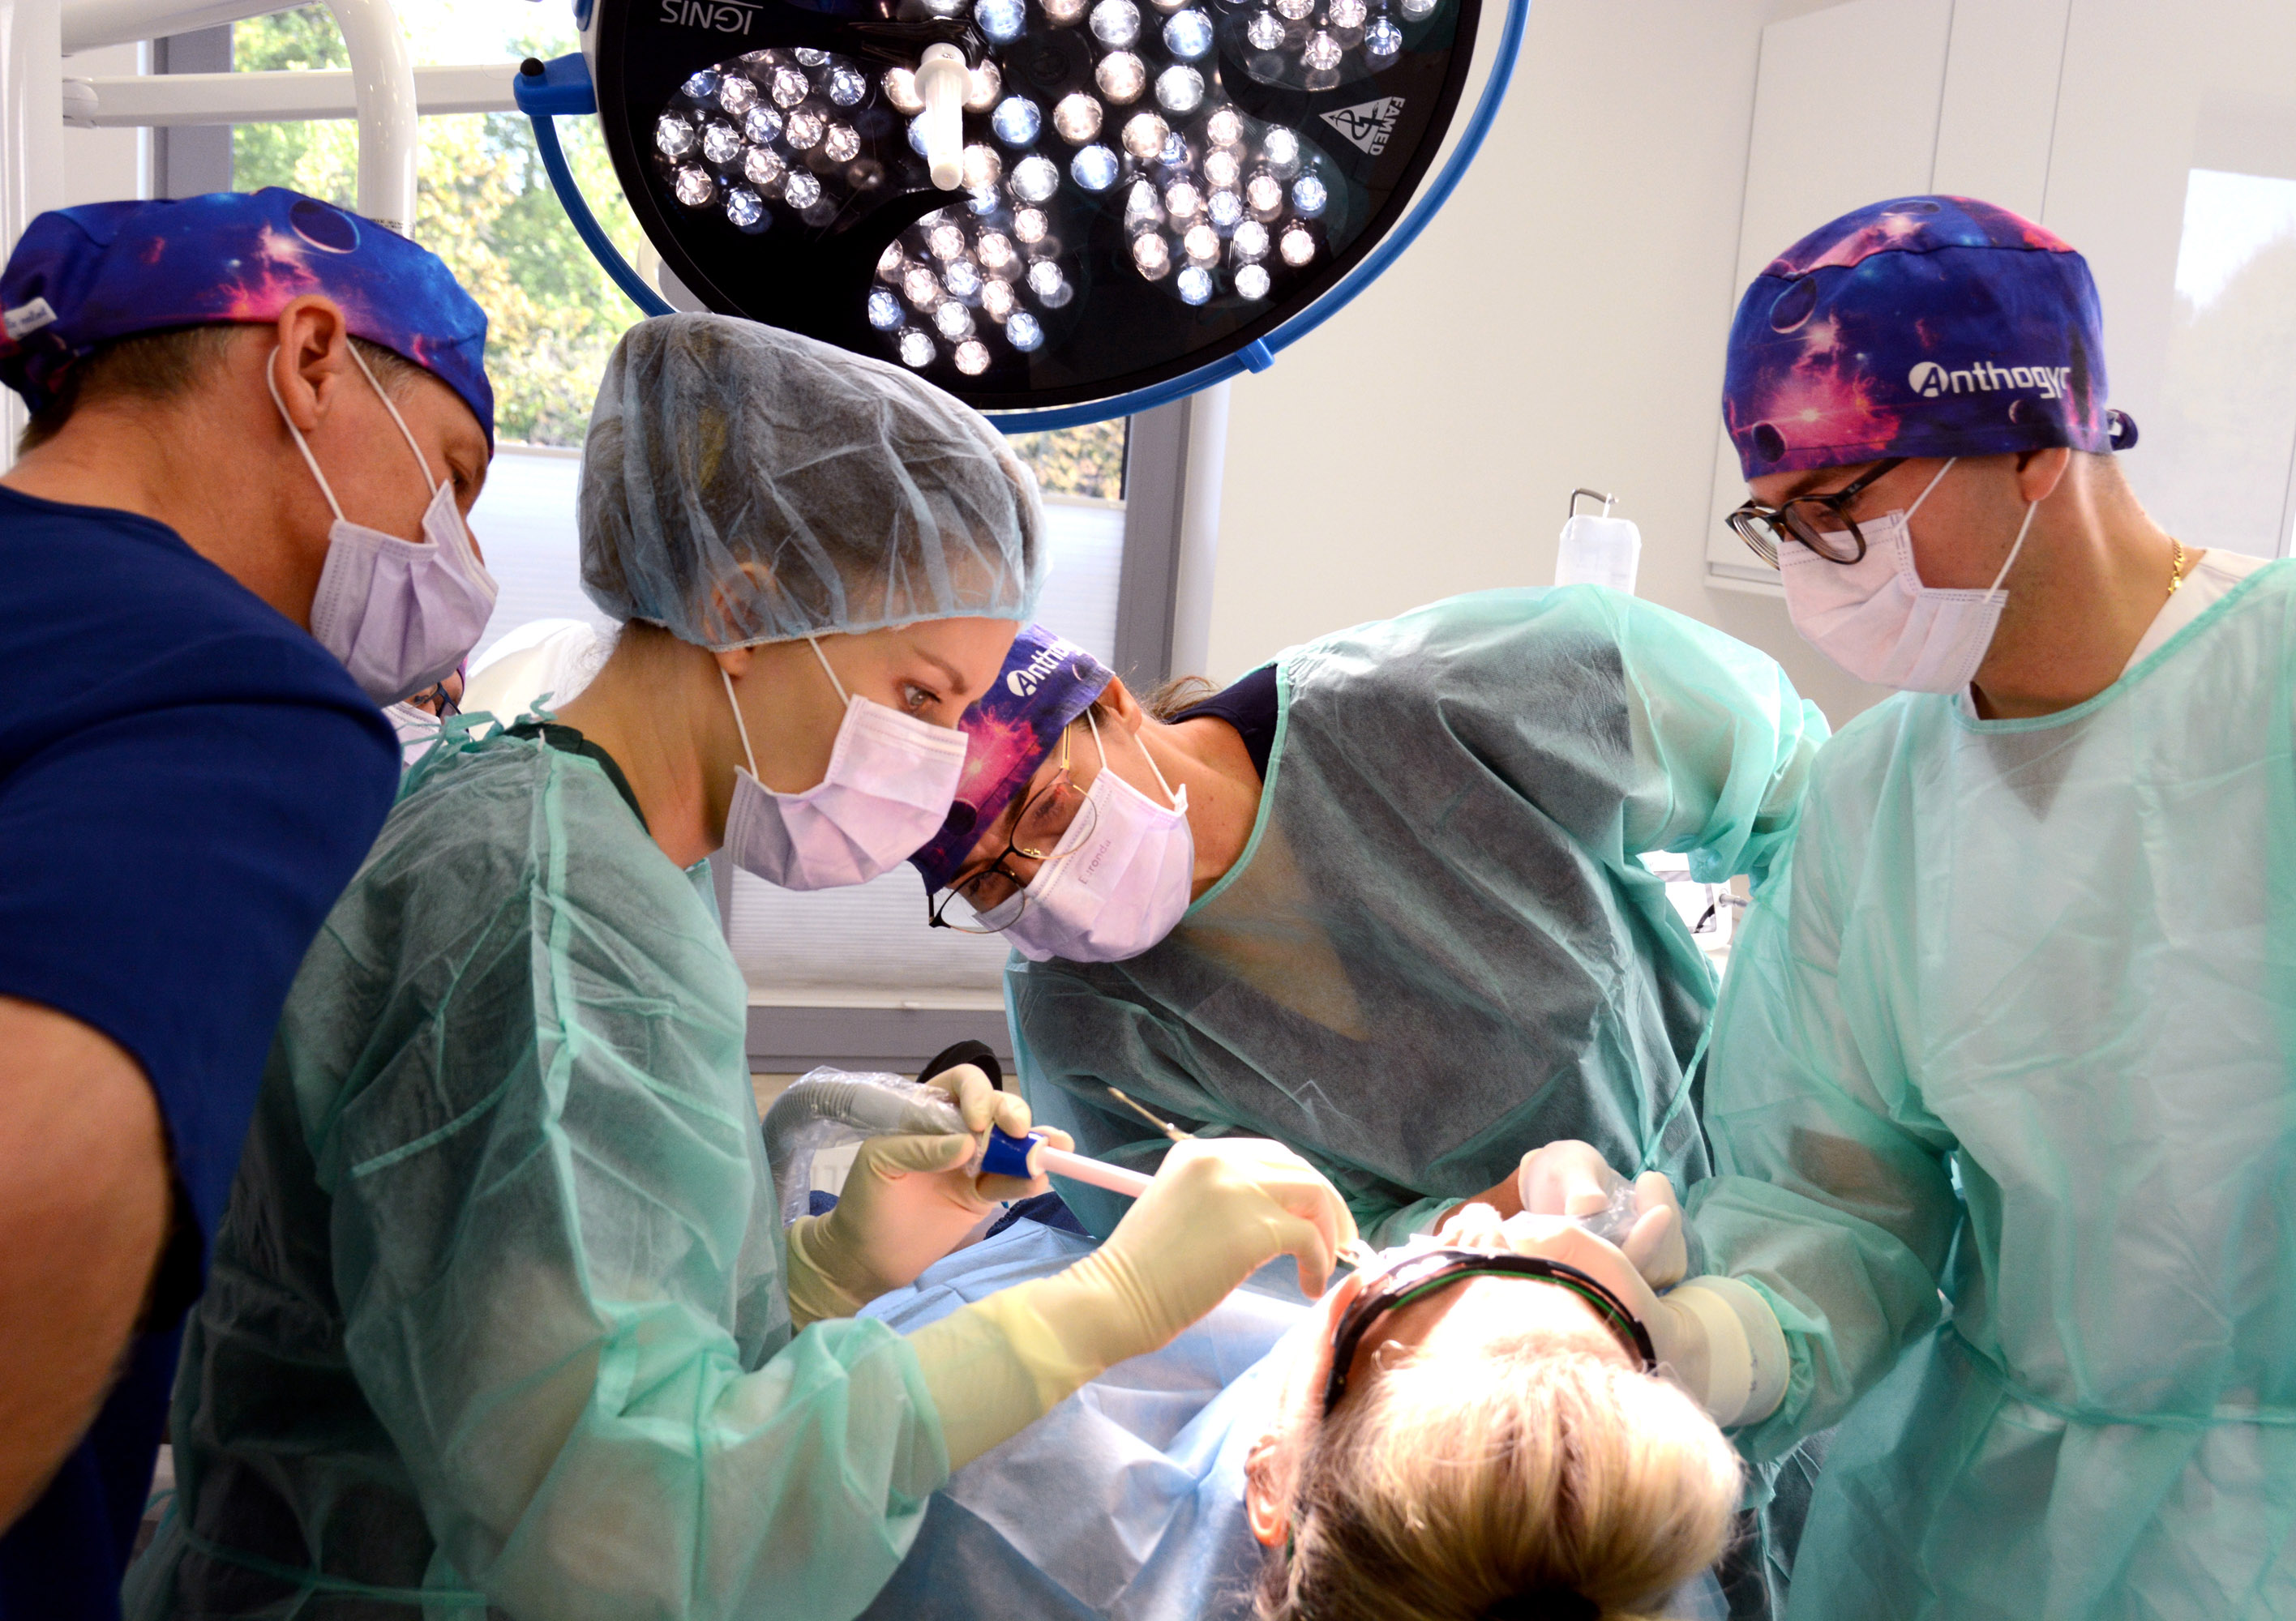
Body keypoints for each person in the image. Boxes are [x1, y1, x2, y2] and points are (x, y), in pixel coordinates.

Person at [123, 312, 1359, 1620]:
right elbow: (614, 1523)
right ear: (743, 613)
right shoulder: (547, 917)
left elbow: (547, 1332)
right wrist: (1106, 1302)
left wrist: (823, 1274)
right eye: (922, 696)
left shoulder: (595, 852)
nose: (937, 768)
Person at [1659, 193, 2296, 1619]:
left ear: (2032, 441)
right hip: (1986, 1542)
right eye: (1779, 522)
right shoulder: (1876, 800)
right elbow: (1836, 1203)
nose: (1814, 568)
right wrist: (1696, 1340)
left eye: (1840, 508)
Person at [0, 188, 497, 1613]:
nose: (463, 561)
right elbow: (32, 1185)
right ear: (313, 358)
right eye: (452, 479)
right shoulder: (236, 694)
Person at [909, 605, 1824, 1247]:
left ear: (1112, 704)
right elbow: (1281, 1265)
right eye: (987, 883)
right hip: (1511, 1361)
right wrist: (1493, 1224)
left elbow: (1809, 804)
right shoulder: (1085, 1026)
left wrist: (1808, 1099)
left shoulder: (1430, 705)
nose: (1045, 881)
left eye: (1048, 811)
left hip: (1789, 1211)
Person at [842, 1183, 1754, 1621]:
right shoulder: (1625, 1572)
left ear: (1275, 1477)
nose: (1480, 1227)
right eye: (1628, 1358)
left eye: (1427, 1275)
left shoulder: (963, 1494)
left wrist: (848, 1271)